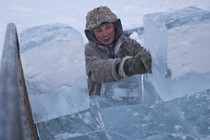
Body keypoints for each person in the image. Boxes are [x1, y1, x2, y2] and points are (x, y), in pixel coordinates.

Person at [84, 6, 152, 96]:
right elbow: (96, 70)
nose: (105, 33)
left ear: (115, 26)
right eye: (99, 30)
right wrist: (126, 67)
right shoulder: (87, 51)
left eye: (108, 27)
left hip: (130, 102)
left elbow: (148, 60)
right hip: (99, 105)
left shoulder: (130, 44)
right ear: (92, 34)